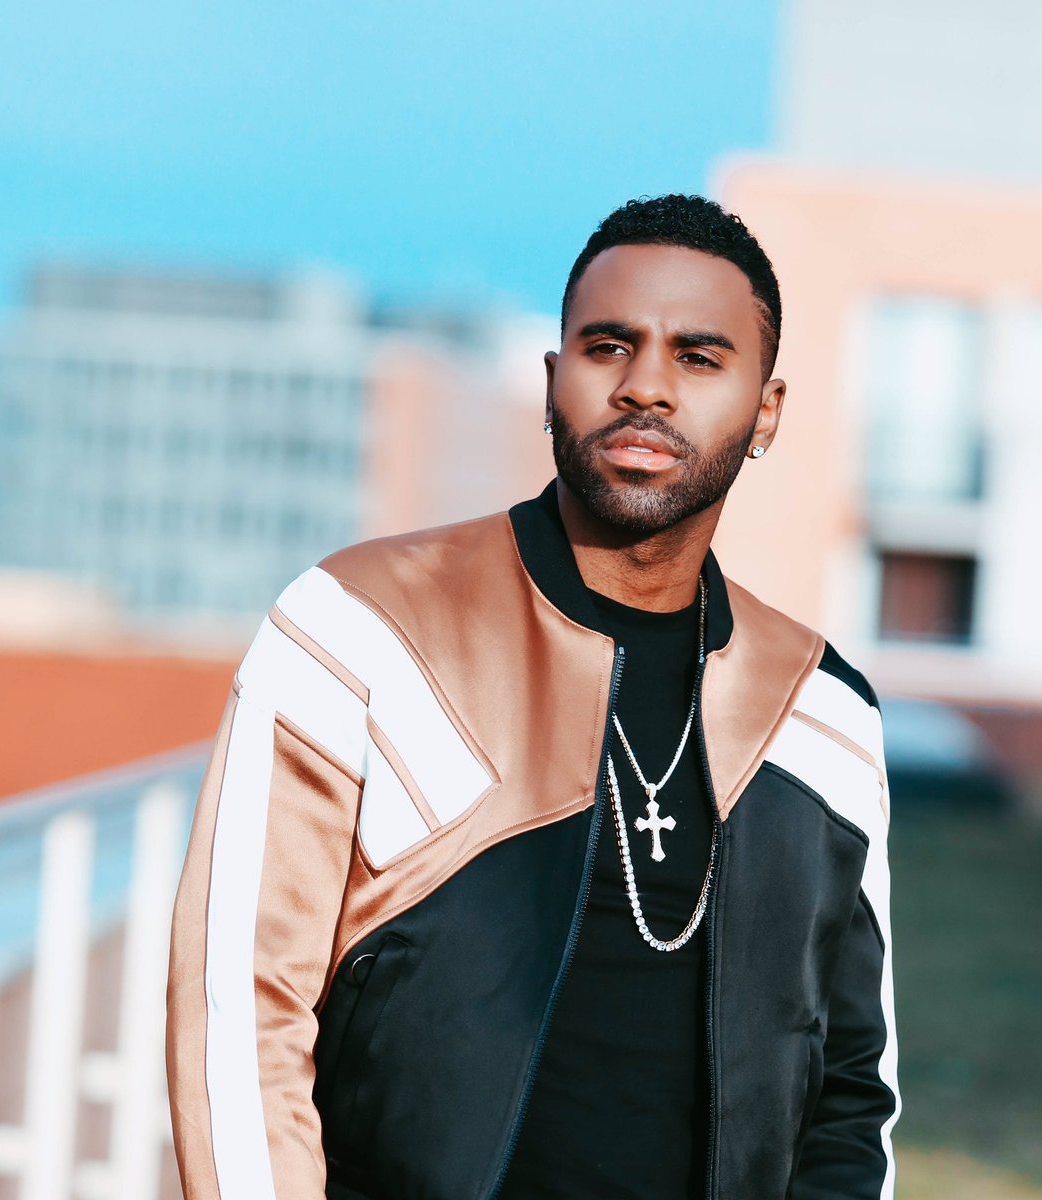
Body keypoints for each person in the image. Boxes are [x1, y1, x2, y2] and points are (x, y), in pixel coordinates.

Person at [166, 193, 899, 1200]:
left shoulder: (824, 712)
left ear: (765, 410)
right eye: (609, 347)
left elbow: (850, 1091)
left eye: (697, 357)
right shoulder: (357, 628)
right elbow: (238, 1002)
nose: (645, 386)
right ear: (555, 382)